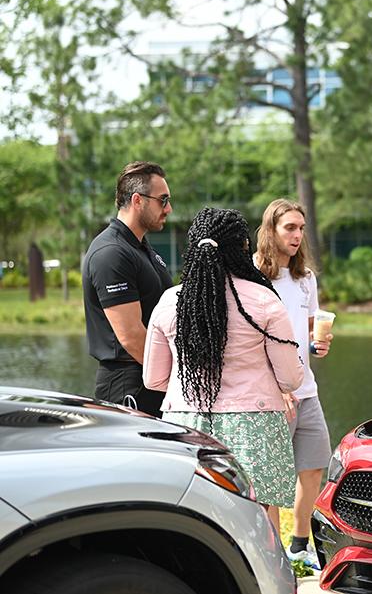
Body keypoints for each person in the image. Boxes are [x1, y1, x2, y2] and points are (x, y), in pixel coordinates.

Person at [144, 207, 304, 529]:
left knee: (192, 519)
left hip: (184, 426)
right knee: (258, 521)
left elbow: (154, 379)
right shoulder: (263, 300)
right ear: (243, 247)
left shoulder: (169, 302)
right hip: (254, 426)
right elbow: (290, 379)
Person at [255, 199, 332, 568]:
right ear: (271, 230)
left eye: (301, 228)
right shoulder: (253, 275)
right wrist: (279, 387)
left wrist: (320, 343)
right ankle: (271, 558)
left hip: (306, 387)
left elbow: (312, 327)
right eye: (290, 228)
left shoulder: (305, 279)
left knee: (315, 464)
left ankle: (299, 543)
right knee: (269, 479)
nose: (298, 235)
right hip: (271, 393)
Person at [82, 161, 172, 417]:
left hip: (151, 377)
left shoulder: (142, 249)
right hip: (128, 384)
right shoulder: (111, 253)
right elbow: (132, 337)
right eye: (163, 200)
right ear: (137, 200)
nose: (169, 209)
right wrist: (178, 375)